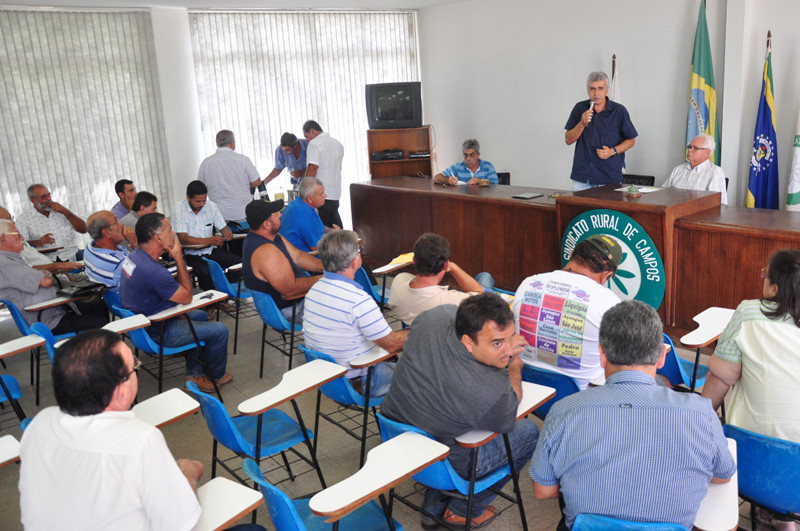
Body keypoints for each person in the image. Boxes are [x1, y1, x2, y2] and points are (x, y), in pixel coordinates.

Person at [531, 300, 736, 530]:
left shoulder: (563, 411)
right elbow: (723, 475)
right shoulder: (701, 413)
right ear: (661, 356)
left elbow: (543, 490)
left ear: (602, 355)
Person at [18, 329, 204, 529]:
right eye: (135, 367)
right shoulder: (140, 440)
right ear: (121, 392)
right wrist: (187, 476)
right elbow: (179, 522)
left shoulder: (40, 423)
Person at [381, 293, 537, 528]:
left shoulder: (435, 315)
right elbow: (509, 412)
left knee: (441, 424)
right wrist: (514, 366)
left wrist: (500, 342)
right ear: (467, 341)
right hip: (442, 461)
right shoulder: (490, 390)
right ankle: (464, 510)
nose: (507, 349)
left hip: (397, 439)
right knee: (528, 431)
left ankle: (434, 500)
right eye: (497, 343)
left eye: (510, 337)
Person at [701, 250, 800, 531]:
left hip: (751, 462)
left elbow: (721, 378)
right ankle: (783, 517)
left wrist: (697, 417)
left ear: (774, 288)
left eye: (764, 274)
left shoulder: (749, 312)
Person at [120, 213, 231, 393]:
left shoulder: (134, 257)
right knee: (220, 331)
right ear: (157, 237)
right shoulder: (153, 271)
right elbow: (186, 297)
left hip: (142, 326)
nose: (174, 234)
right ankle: (215, 375)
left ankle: (194, 373)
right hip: (158, 330)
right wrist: (179, 257)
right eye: (170, 230)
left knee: (201, 315)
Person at [303, 230, 408, 396]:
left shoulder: (313, 291)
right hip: (360, 382)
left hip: (327, 381)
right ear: (355, 261)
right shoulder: (357, 299)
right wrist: (419, 330)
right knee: (428, 377)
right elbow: (392, 344)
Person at [512, 235, 621, 389]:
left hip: (529, 393)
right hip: (579, 402)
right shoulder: (608, 301)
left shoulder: (528, 283)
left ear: (571, 257)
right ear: (607, 275)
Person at [0, 219, 108, 334]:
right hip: (47, 320)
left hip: (54, 311)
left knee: (101, 308)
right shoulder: (6, 264)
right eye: (17, 235)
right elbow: (46, 281)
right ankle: (94, 350)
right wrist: (46, 273)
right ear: (2, 239)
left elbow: (41, 277)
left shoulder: (11, 259)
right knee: (99, 321)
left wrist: (44, 273)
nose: (22, 238)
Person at [242, 198, 323, 322]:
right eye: (276, 214)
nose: (280, 214)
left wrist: (328, 267)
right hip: (291, 309)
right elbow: (290, 290)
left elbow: (298, 256)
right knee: (345, 301)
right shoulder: (266, 252)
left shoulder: (271, 236)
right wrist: (325, 279)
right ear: (267, 224)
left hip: (298, 300)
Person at [388, 232, 492, 325]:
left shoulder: (398, 281)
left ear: (414, 260)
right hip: (459, 334)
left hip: (420, 333)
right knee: (485, 277)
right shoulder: (449, 301)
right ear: (446, 265)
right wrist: (454, 268)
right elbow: (480, 294)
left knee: (483, 278)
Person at [565, 71, 637, 190]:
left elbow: (631, 140)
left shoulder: (619, 111)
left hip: (609, 178)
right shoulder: (579, 108)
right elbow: (568, 139)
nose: (596, 93)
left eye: (600, 88)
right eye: (592, 89)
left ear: (607, 90)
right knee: (580, 210)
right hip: (582, 178)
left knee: (606, 210)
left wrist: (612, 151)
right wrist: (581, 124)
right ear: (588, 90)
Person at [172, 180, 240, 292]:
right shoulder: (179, 209)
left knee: (238, 263)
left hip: (210, 251)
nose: (202, 204)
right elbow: (183, 239)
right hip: (190, 254)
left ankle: (224, 293)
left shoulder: (211, 206)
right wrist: (209, 240)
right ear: (188, 197)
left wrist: (227, 233)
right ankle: (211, 304)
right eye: (198, 201)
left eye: (204, 200)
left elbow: (223, 227)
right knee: (205, 272)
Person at [198, 129, 263, 231]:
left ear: (217, 144)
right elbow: (257, 182)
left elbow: (200, 188)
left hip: (219, 217)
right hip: (243, 214)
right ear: (233, 143)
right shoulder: (242, 160)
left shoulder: (206, 163)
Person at [0, 206, 82, 276]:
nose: (13, 222)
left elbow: (83, 229)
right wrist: (58, 266)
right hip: (51, 274)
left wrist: (63, 272)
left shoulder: (59, 213)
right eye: (8, 219)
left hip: (62, 264)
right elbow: (29, 270)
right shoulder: (7, 251)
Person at [16, 183, 87, 261]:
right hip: (46, 259)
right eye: (43, 197)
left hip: (72, 253)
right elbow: (21, 244)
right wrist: (38, 242)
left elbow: (84, 229)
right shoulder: (23, 219)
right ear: (32, 200)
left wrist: (65, 211)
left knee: (97, 256)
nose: (48, 199)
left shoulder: (61, 211)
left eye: (49, 195)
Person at [662, 134, 728, 204]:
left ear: (707, 152)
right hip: (673, 211)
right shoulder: (678, 169)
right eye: (689, 147)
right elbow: (662, 193)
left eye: (695, 148)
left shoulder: (715, 172)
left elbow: (719, 204)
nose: (690, 150)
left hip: (699, 213)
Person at [303, 120, 344, 229]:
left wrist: (304, 190)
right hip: (335, 194)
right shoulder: (337, 144)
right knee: (335, 230)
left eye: (306, 136)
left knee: (321, 232)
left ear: (312, 131)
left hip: (320, 195)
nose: (306, 140)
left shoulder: (315, 143)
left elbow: (313, 167)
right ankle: (346, 244)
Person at [279, 177, 337, 253]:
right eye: (321, 194)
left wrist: (333, 231)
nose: (325, 196)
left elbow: (318, 227)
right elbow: (317, 249)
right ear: (310, 199)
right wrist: (336, 239)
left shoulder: (297, 203)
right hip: (304, 258)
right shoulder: (305, 215)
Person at [83, 210, 133, 292]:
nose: (121, 224)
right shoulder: (118, 264)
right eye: (116, 222)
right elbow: (149, 275)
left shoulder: (90, 249)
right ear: (106, 232)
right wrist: (136, 244)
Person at [433, 139, 498, 185]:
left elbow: (496, 185)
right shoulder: (457, 167)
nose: (468, 158)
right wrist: (448, 180)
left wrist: (480, 181)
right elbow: (436, 178)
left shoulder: (488, 166)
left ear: (478, 155)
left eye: (472, 155)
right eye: (465, 155)